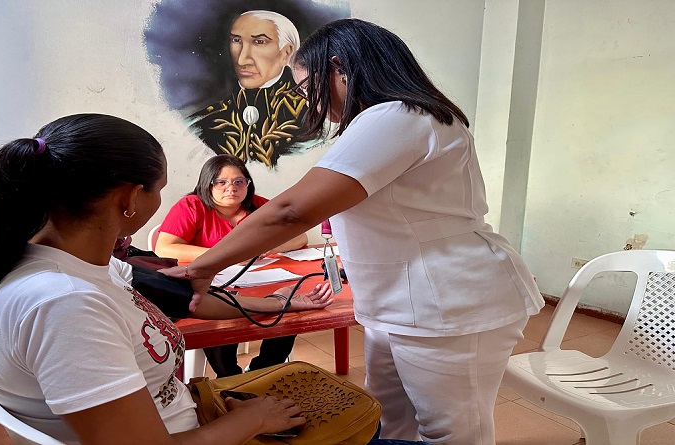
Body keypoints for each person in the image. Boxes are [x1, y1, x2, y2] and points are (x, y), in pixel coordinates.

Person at [162, 19, 545, 445]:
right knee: (388, 417)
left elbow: (291, 211)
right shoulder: (385, 121)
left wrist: (204, 266)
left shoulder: (400, 116)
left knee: (452, 431)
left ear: (338, 68)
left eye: (306, 87)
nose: (307, 101)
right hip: (398, 300)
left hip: (449, 301)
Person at [0, 114, 338, 445]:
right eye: (158, 189)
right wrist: (253, 420)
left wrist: (282, 303)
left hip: (187, 417)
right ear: (128, 198)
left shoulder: (84, 266)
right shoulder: (65, 305)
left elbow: (189, 298)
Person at [155, 154, 308, 377]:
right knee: (219, 316)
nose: (231, 188)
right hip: (212, 285)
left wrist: (271, 246)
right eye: (221, 182)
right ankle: (229, 377)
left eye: (239, 181)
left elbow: (300, 237)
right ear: (207, 184)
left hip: (259, 282)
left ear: (248, 184)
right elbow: (164, 248)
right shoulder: (191, 206)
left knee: (287, 309)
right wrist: (223, 256)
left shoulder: (259, 206)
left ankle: (261, 371)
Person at [187, 10, 316, 168]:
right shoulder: (200, 125)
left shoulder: (316, 120)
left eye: (259, 42)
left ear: (286, 53)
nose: (242, 60)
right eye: (236, 40)